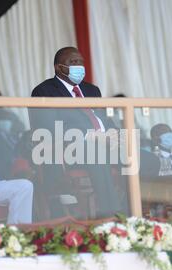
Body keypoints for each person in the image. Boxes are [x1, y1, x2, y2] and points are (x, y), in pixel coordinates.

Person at [30, 46, 124, 217]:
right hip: (70, 149)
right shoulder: (44, 91)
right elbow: (48, 128)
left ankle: (135, 211)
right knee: (95, 150)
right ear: (59, 67)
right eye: (73, 62)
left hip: (105, 143)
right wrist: (90, 136)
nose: (79, 66)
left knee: (140, 153)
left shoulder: (91, 90)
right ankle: (109, 214)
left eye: (81, 62)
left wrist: (113, 133)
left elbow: (105, 119)